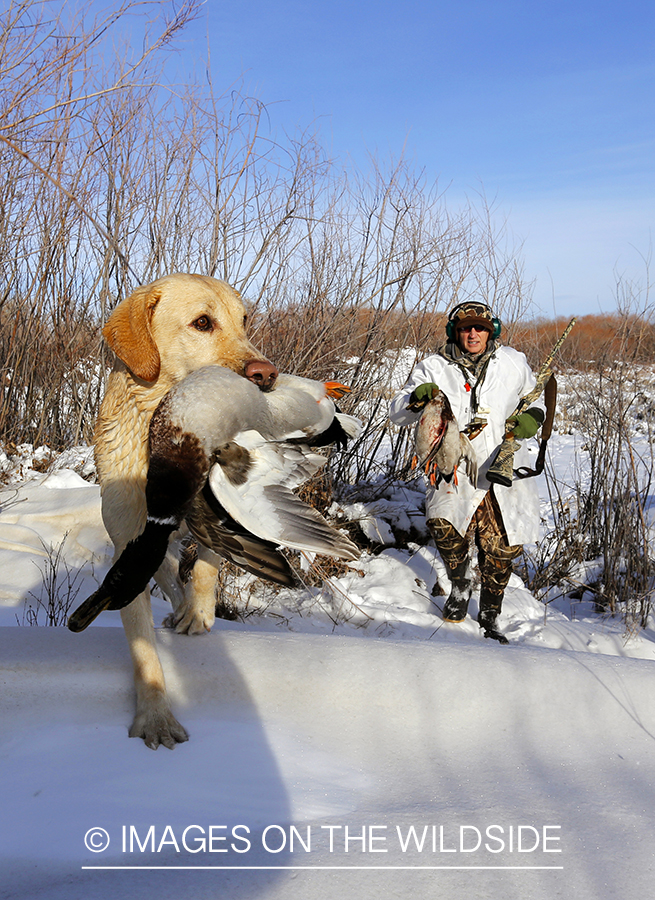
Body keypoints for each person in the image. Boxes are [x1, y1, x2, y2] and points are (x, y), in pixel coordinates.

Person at [390, 301, 544, 643]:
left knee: (503, 546)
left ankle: (490, 610)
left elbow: (534, 400)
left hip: (505, 461)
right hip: (454, 462)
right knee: (444, 525)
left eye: (480, 328)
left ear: (492, 331)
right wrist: (417, 398)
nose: (472, 333)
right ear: (454, 332)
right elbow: (398, 413)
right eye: (464, 328)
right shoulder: (433, 367)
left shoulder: (513, 362)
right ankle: (460, 581)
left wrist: (532, 418)